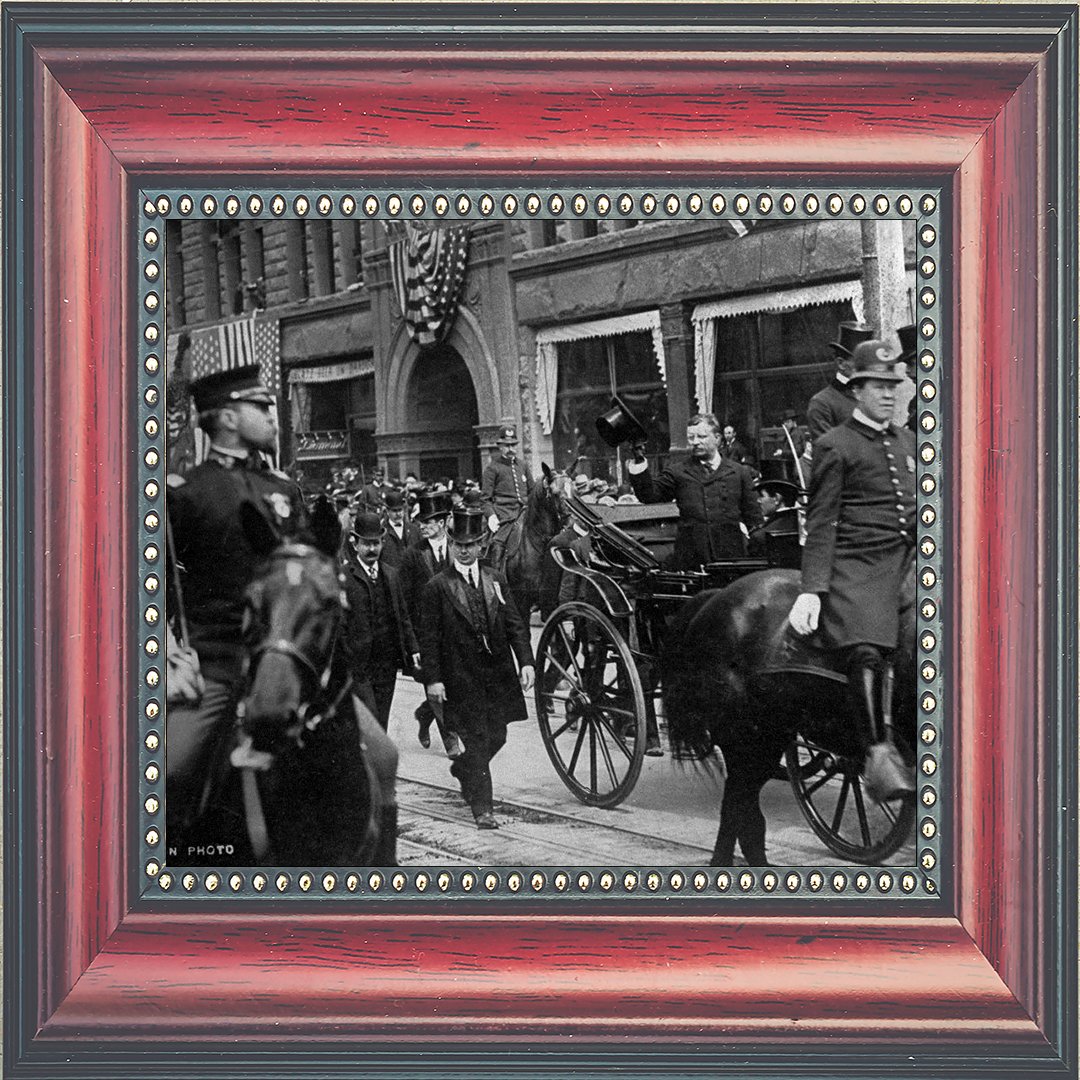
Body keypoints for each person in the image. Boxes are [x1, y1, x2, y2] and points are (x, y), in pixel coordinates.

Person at [165, 365, 310, 860]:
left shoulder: (284, 490)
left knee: (381, 754)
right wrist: (166, 654)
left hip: (287, 661)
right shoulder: (184, 493)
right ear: (227, 417)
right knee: (169, 771)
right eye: (261, 407)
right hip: (217, 665)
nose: (273, 417)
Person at [787, 340, 917, 804]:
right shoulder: (834, 445)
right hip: (856, 566)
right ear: (857, 389)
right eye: (877, 386)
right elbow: (821, 522)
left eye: (892, 386)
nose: (887, 394)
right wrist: (813, 590)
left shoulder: (907, 442)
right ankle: (877, 755)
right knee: (867, 648)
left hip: (906, 560)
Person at [419, 507, 535, 829]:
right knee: (480, 738)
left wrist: (526, 661)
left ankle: (464, 769)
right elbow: (428, 639)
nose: (465, 549)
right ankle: (483, 808)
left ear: (482, 544)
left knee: (499, 733)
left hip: (497, 674)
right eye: (459, 544)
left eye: (471, 544)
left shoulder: (495, 578)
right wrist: (433, 681)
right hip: (460, 678)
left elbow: (514, 624)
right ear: (452, 544)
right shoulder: (437, 586)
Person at [627, 413, 764, 568]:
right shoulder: (678, 472)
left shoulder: (739, 472)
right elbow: (649, 495)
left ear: (718, 439)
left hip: (732, 559)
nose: (695, 442)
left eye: (702, 436)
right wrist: (638, 458)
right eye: (691, 437)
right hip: (691, 561)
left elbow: (755, 520)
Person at [341, 510, 421, 732]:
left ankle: (373, 766)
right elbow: (340, 626)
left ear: (383, 542)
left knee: (382, 721)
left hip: (386, 664)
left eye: (375, 543)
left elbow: (403, 616)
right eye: (366, 543)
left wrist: (413, 647)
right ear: (355, 543)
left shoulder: (391, 575)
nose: (371, 549)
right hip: (359, 666)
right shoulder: (345, 578)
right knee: (370, 721)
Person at [399, 489, 460, 757]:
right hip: (426, 634)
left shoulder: (459, 549)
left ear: (444, 522)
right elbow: (404, 600)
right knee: (435, 687)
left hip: (456, 632)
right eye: (421, 521)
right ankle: (452, 743)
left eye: (429, 521)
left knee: (457, 686)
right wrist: (412, 640)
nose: (423, 526)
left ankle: (425, 715)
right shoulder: (413, 555)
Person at [806, 321, 876, 440]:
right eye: (860, 361)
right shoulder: (822, 403)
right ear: (841, 363)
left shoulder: (873, 396)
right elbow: (829, 452)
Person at [481, 424, 533, 571]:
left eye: (513, 445)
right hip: (505, 513)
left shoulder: (522, 465)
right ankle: (497, 573)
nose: (511, 449)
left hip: (525, 510)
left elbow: (532, 490)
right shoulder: (493, 468)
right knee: (499, 541)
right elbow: (485, 499)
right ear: (500, 447)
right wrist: (491, 516)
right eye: (507, 445)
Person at [747, 477, 802, 567]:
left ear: (776, 498)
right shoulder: (805, 526)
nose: (758, 501)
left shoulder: (760, 536)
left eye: (761, 496)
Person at [379, 486, 420, 570]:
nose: (398, 514)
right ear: (387, 511)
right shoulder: (381, 532)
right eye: (394, 511)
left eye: (400, 510)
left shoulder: (415, 530)